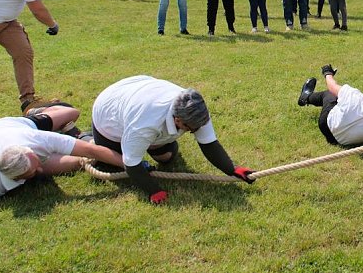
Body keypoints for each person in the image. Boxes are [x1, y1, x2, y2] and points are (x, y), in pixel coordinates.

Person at [91, 75, 256, 205]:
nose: (196, 131)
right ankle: (87, 140)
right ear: (177, 119)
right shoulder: (145, 124)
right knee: (113, 164)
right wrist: (153, 190)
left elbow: (209, 144)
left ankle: (146, 145)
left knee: (167, 156)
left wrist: (233, 169)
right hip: (108, 116)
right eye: (191, 129)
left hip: (138, 92)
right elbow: (131, 163)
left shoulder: (196, 110)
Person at [0, 104, 124, 199]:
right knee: (79, 162)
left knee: (71, 112)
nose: (41, 169)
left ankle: (37, 111)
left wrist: (130, 164)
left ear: (31, 151)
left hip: (9, 126)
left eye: (37, 163)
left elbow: (91, 150)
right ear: (13, 177)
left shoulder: (36, 139)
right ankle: (72, 132)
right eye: (33, 172)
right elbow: (88, 154)